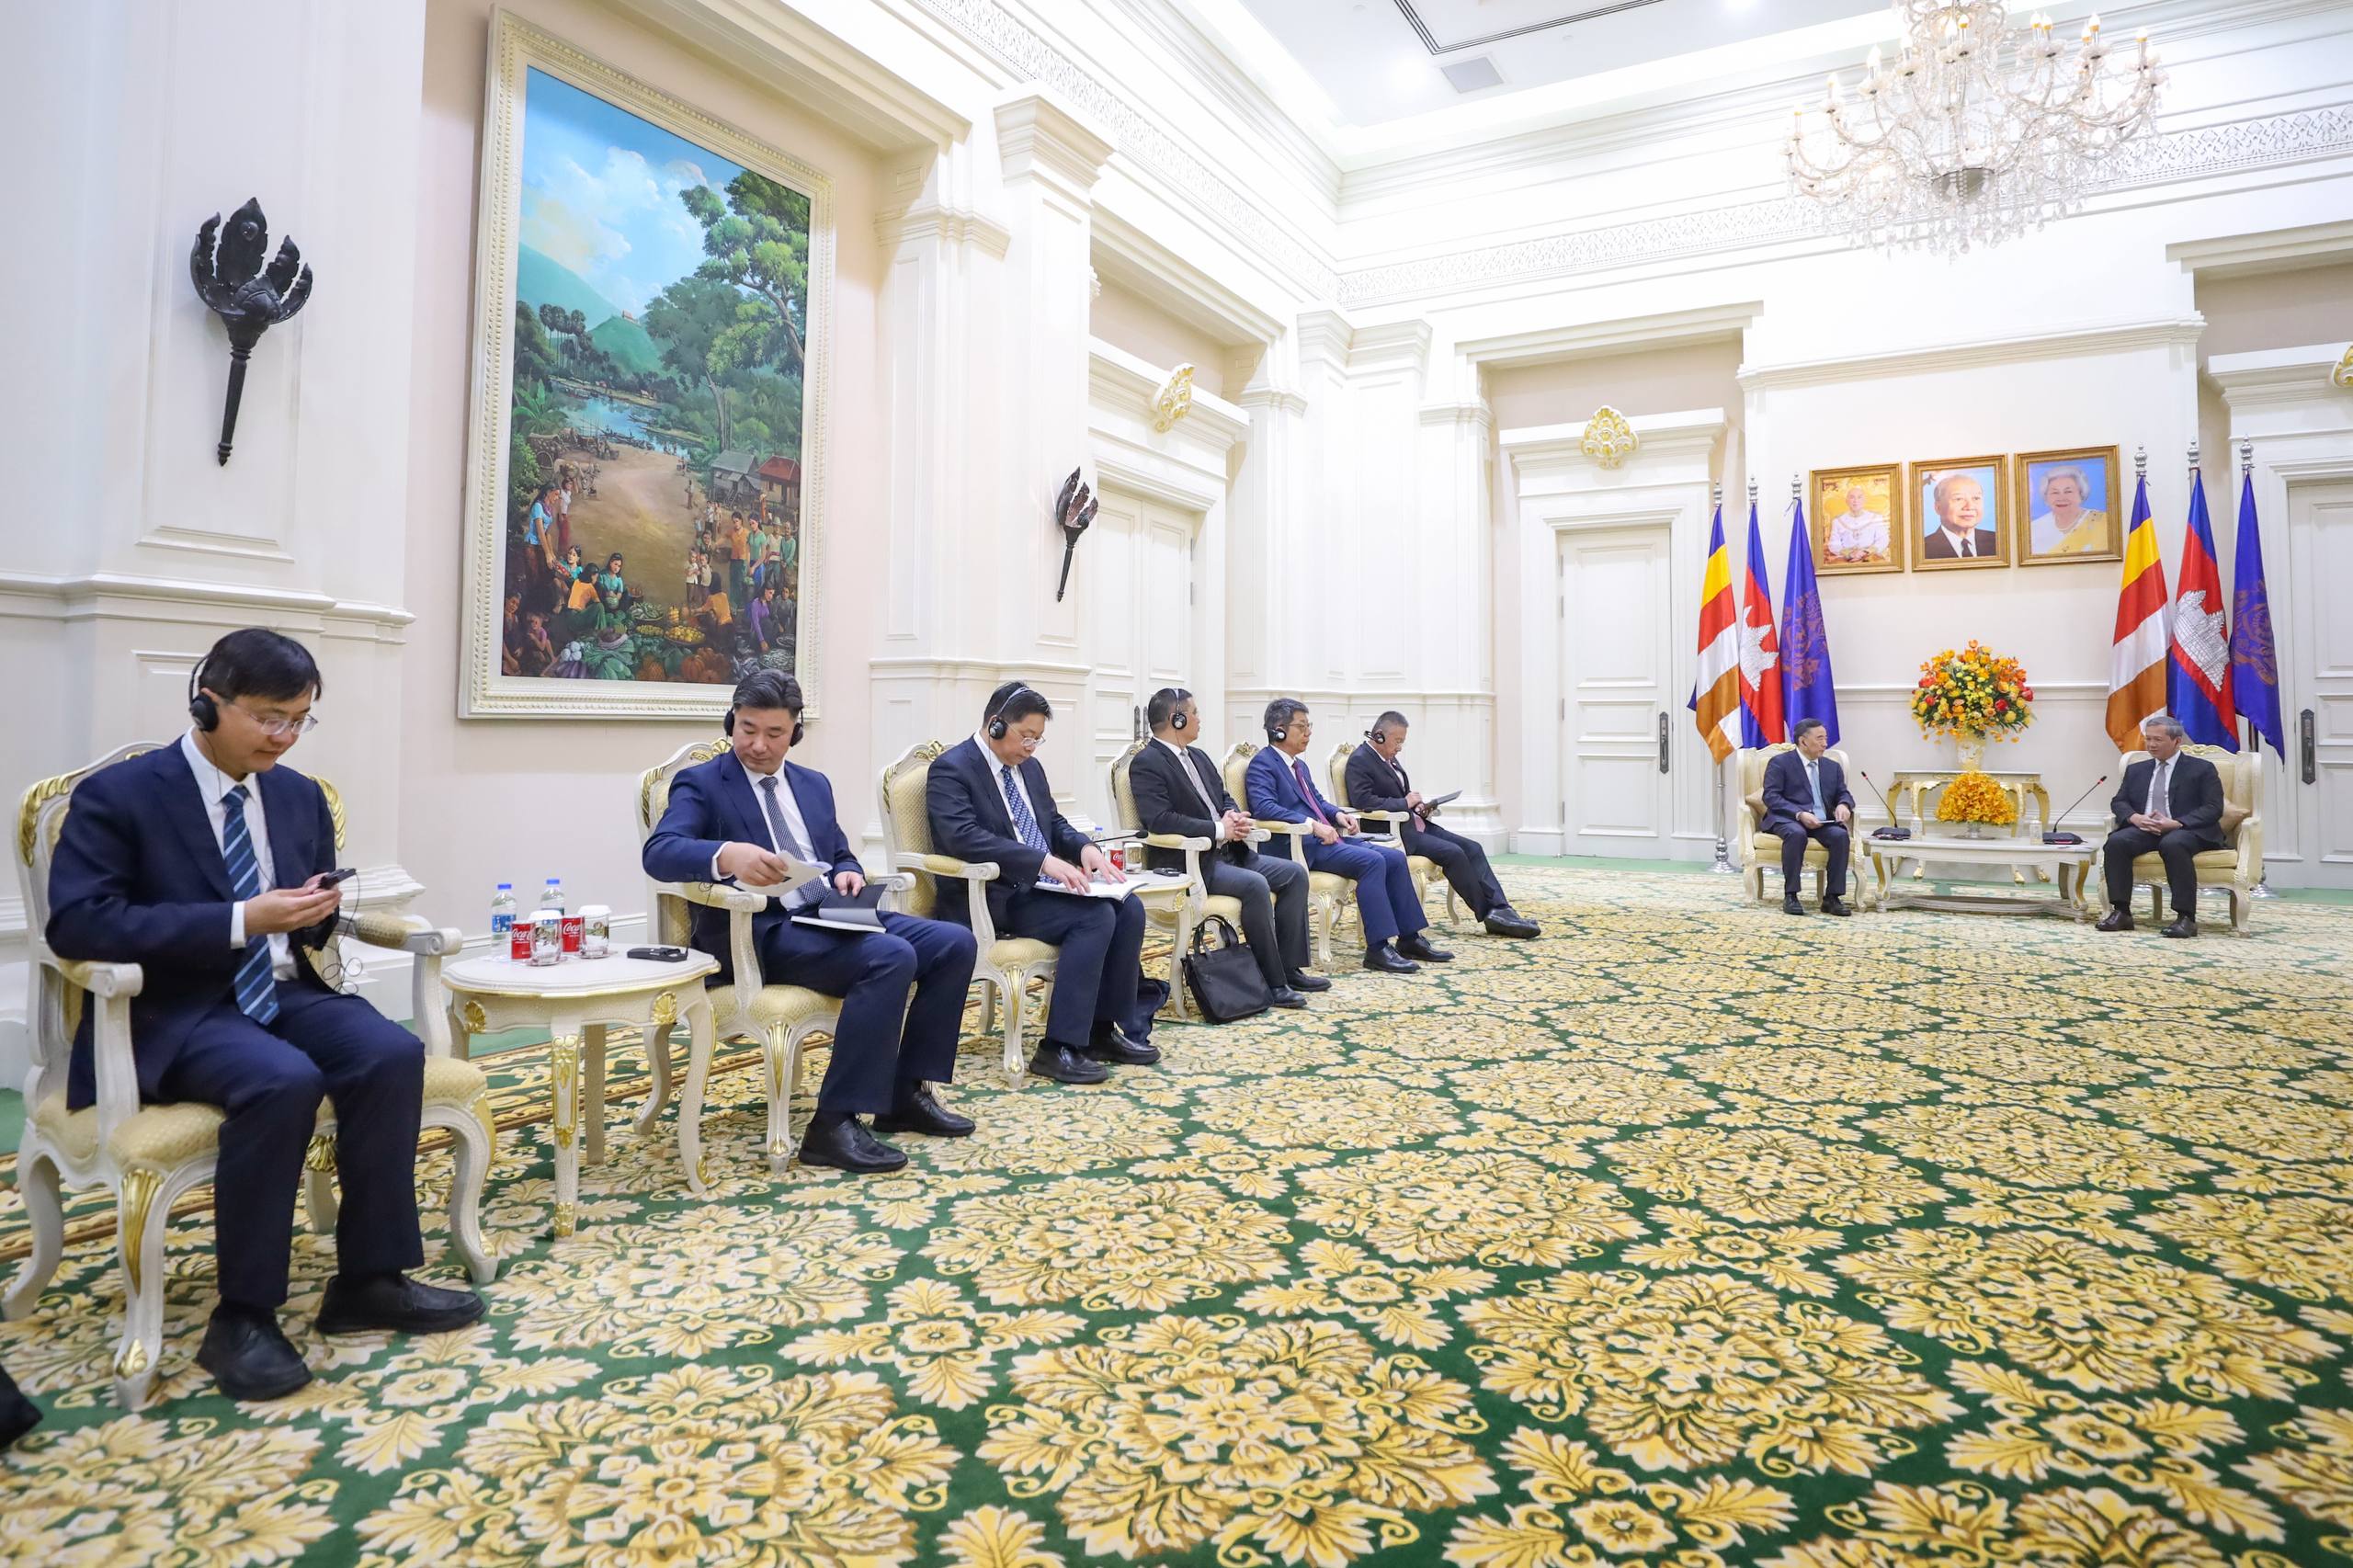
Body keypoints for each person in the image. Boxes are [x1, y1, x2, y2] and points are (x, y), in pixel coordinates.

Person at [44, 630, 483, 1402]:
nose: (284, 737)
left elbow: (305, 919)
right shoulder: (121, 796)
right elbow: (79, 925)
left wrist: (316, 909)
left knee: (389, 1053)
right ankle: (243, 1317)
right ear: (206, 703)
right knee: (282, 1081)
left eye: (300, 720)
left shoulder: (297, 794)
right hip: (177, 1009)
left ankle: (370, 1280)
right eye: (269, 718)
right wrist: (241, 919)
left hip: (284, 991)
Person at [643, 671, 980, 1170]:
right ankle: (832, 1125)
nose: (758, 744)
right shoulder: (703, 782)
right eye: (747, 729)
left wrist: (848, 872)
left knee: (955, 943)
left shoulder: (813, 784)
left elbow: (839, 852)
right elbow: (660, 852)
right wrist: (728, 854)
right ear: (732, 722)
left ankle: (904, 1095)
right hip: (761, 931)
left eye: (774, 733)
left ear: (795, 731)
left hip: (830, 912)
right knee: (890, 956)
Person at [926, 682, 1161, 1084]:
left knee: (1128, 908)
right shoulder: (952, 769)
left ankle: (1100, 1031)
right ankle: (1057, 1048)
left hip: (1035, 888)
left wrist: (1084, 848)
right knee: (1095, 917)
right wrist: (1041, 861)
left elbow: (1051, 822)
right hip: (990, 895)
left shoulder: (1029, 769)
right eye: (1026, 736)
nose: (1031, 748)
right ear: (996, 725)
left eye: (1038, 739)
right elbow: (962, 837)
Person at [1128, 687, 1322, 1007]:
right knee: (1255, 885)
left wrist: (1232, 815)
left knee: (1294, 874)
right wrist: (1219, 829)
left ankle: (1289, 968)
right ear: (1176, 719)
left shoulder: (1199, 757)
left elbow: (1223, 797)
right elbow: (1159, 819)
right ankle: (1273, 983)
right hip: (1190, 862)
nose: (1199, 719)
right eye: (1194, 713)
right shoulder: (1147, 762)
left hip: (1231, 852)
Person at [1246, 699, 1448, 974]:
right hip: (1296, 847)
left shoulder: (1299, 766)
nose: (1308, 732)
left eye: (1308, 726)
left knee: (1394, 858)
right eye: (1301, 727)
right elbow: (1264, 808)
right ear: (1278, 730)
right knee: (1372, 862)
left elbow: (1317, 801)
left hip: (1324, 840)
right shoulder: (1263, 764)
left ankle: (1410, 939)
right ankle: (1377, 949)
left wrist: (1338, 815)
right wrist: (1312, 825)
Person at [1347, 712, 1539, 938]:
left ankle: (1503, 909)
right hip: (1395, 832)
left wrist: (1418, 806)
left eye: (1402, 742)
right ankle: (1489, 914)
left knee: (1473, 848)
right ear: (1379, 736)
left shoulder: (1388, 758)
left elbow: (1393, 793)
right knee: (1454, 853)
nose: (1399, 747)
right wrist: (1404, 803)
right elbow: (1363, 801)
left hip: (1414, 823)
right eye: (1397, 741)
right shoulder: (1360, 760)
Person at [2097, 716, 2224, 938]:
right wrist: (2135, 818)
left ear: (2177, 741)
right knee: (2116, 842)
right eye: (2148, 739)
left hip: (2185, 829)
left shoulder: (2202, 769)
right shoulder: (2137, 769)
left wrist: (2178, 823)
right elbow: (2119, 801)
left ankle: (2186, 918)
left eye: (2158, 739)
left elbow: (2213, 808)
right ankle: (2122, 912)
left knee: (2173, 843)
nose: (2151, 745)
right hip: (2145, 828)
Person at [1759, 717, 1856, 915]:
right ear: (1803, 741)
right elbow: (1771, 796)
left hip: (1822, 821)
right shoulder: (1780, 763)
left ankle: (1832, 898)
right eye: (1820, 739)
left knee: (1840, 836)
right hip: (1789, 819)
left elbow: (1843, 793)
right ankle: (1791, 895)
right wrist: (1799, 813)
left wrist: (1843, 804)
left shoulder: (1832, 767)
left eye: (1825, 738)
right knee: (1796, 834)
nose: (1825, 743)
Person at [2029, 466, 2109, 557]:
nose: (2061, 498)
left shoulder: (2103, 522)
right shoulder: (2035, 528)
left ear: (2081, 494)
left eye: (2068, 492)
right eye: (2055, 492)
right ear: (2046, 497)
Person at [1922, 472, 1998, 560]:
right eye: (1958, 499)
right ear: (1938, 507)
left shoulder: (1998, 541)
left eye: (1976, 498)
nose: (1970, 507)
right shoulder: (1923, 549)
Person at [1824, 483, 1891, 562]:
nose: (1856, 501)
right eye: (1852, 497)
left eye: (1859, 497)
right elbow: (1834, 544)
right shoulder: (1837, 521)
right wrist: (1850, 554)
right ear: (1847, 501)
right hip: (1846, 558)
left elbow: (1883, 539)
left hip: (1871, 556)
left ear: (1865, 500)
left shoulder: (1876, 517)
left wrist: (1865, 552)